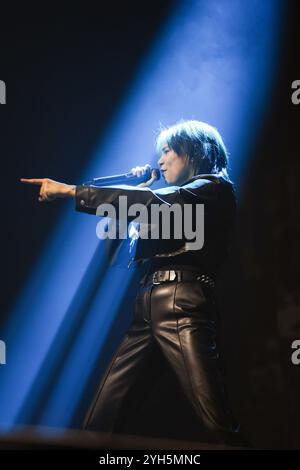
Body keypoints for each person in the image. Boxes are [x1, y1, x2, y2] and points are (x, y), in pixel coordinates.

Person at [21, 120, 248, 446]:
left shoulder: (212, 189)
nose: (161, 159)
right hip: (149, 305)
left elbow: (152, 206)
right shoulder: (172, 199)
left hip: (181, 301)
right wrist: (143, 187)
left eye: (168, 150)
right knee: (102, 419)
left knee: (216, 421)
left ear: (195, 151)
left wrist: (71, 191)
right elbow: (120, 249)